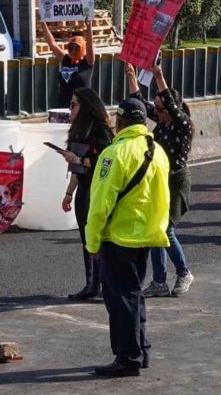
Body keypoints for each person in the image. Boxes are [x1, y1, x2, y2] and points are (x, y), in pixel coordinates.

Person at [84, 98, 170, 378]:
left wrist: (92, 241)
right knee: (134, 294)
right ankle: (140, 349)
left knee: (121, 299)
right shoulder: (157, 151)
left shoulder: (114, 153)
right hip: (146, 234)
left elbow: (99, 204)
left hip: (119, 236)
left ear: (119, 122)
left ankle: (128, 355)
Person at [125, 63, 195, 298]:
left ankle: (184, 272)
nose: (158, 111)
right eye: (157, 108)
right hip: (160, 180)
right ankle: (159, 281)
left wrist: (159, 75)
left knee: (165, 229)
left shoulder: (183, 125)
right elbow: (139, 103)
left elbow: (171, 106)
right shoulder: (162, 120)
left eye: (161, 108)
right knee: (156, 229)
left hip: (176, 181)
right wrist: (132, 77)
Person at [58, 87, 113, 301]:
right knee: (86, 237)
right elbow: (78, 168)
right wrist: (68, 193)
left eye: (74, 104)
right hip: (83, 187)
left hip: (98, 189)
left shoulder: (100, 130)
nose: (70, 109)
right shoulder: (79, 130)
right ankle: (91, 283)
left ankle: (103, 284)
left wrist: (78, 160)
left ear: (86, 106)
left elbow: (105, 161)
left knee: (98, 236)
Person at [41, 20, 95, 109]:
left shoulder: (88, 62)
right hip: (63, 107)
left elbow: (90, 45)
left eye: (77, 48)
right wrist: (43, 23)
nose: (73, 51)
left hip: (82, 107)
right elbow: (52, 43)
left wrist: (89, 27)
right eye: (71, 48)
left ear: (82, 49)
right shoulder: (66, 60)